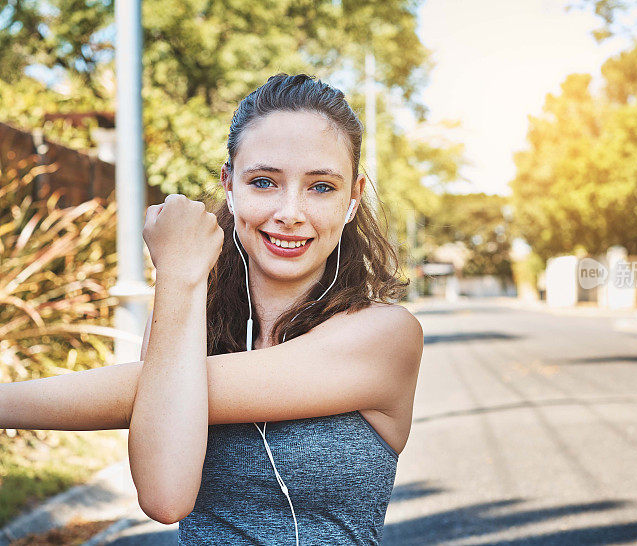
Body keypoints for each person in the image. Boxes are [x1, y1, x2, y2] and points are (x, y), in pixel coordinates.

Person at [0, 73, 423, 545]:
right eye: (264, 182)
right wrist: (180, 280)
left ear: (353, 198)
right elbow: (165, 491)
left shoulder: (386, 335)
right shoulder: (188, 324)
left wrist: (180, 275)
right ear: (229, 184)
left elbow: (152, 401)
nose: (290, 211)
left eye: (321, 187)